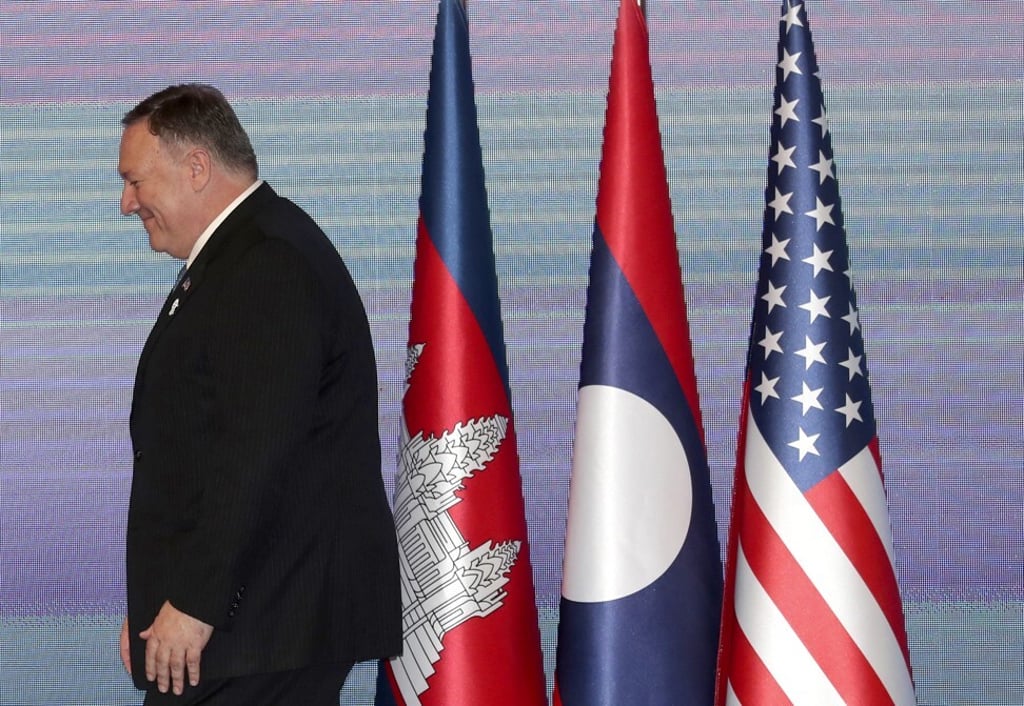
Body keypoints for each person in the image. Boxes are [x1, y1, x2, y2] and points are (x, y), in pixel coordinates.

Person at [117, 84, 401, 705]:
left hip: (268, 617)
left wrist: (193, 603)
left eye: (136, 181)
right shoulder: (243, 254)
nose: (126, 202)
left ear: (196, 168)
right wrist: (160, 594)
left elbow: (255, 454)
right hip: (256, 617)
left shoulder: (267, 263)